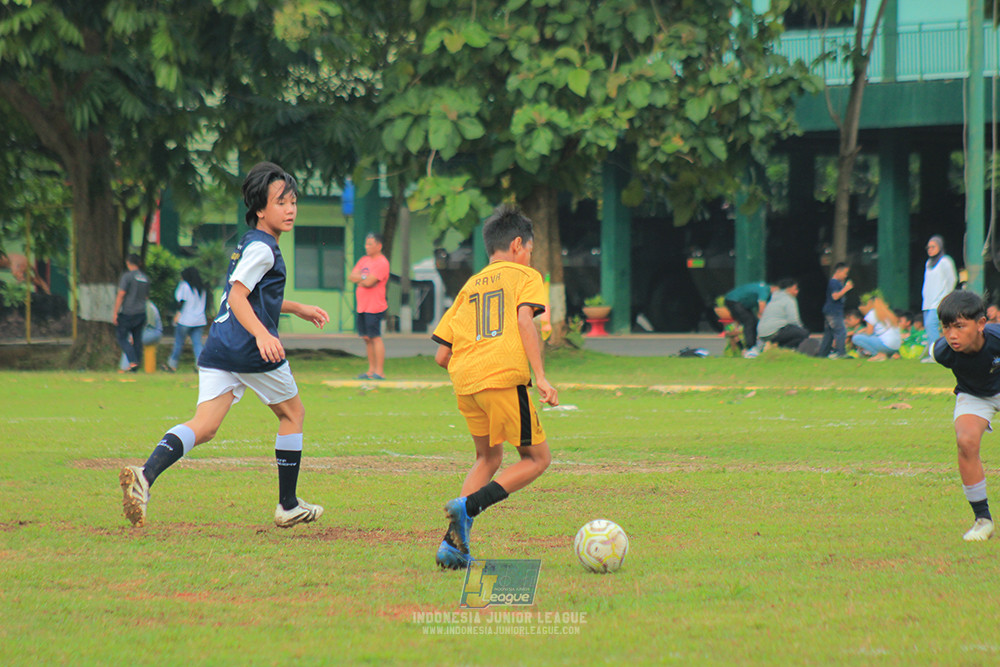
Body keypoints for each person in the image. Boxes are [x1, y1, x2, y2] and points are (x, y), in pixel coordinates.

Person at [119, 162, 330, 528]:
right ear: (260, 209)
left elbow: (254, 297)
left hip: (219, 346)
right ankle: (288, 504)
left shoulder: (250, 243)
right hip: (249, 349)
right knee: (292, 415)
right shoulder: (265, 250)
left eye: (293, 201)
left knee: (205, 425)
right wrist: (263, 334)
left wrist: (297, 308)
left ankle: (145, 475)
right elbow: (237, 297)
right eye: (281, 202)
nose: (291, 208)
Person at [430, 203, 558, 570]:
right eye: (531, 251)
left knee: (488, 457)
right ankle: (468, 506)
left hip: (466, 382)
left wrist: (471, 368)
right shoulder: (524, 276)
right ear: (518, 245)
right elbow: (524, 321)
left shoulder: (469, 285)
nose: (530, 258)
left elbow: (442, 356)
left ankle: (451, 548)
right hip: (501, 378)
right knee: (537, 459)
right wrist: (542, 376)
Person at [930, 290, 1000, 541]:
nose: (952, 335)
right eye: (946, 327)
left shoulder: (997, 338)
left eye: (959, 326)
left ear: (981, 324)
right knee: (966, 442)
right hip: (974, 394)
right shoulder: (942, 352)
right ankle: (983, 520)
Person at [349, 232, 390, 379]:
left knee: (375, 337)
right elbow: (352, 276)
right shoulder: (364, 260)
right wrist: (363, 278)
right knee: (366, 337)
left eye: (370, 244)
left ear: (379, 246)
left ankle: (380, 371)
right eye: (366, 244)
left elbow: (369, 282)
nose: (367, 247)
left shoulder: (382, 262)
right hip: (362, 306)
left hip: (375, 306)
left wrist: (362, 279)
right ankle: (371, 370)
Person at [164, 266, 208, 372]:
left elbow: (181, 301)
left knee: (179, 343)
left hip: (185, 320)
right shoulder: (202, 287)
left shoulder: (184, 285)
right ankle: (200, 365)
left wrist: (177, 315)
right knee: (197, 343)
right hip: (200, 320)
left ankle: (172, 365)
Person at [921, 234, 957, 361]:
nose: (930, 249)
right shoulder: (928, 263)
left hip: (939, 302)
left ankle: (937, 354)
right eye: (928, 247)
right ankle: (936, 352)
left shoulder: (945, 261)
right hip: (928, 303)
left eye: (933, 246)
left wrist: (946, 299)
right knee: (930, 327)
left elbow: (952, 280)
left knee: (931, 325)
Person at [113, 254, 151, 373]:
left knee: (121, 337)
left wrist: (115, 312)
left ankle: (133, 361)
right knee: (137, 339)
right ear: (139, 263)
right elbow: (146, 297)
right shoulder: (145, 278)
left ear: (128, 263)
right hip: (141, 312)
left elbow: (121, 294)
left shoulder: (127, 277)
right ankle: (136, 364)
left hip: (128, 312)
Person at [755, 278, 809, 352]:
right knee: (804, 334)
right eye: (795, 289)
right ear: (788, 289)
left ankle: (775, 347)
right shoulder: (789, 300)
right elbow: (793, 321)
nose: (797, 292)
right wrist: (802, 328)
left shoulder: (773, 298)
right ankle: (780, 349)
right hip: (774, 331)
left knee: (794, 332)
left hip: (762, 333)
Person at [722, 282, 772, 353]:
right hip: (733, 301)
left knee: (753, 322)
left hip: (740, 304)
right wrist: (761, 317)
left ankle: (753, 346)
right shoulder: (765, 290)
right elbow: (762, 304)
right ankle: (751, 347)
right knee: (749, 322)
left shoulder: (761, 290)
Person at [818, 262, 853, 359]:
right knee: (841, 331)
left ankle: (822, 354)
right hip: (833, 312)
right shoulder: (833, 282)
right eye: (845, 273)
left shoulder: (836, 283)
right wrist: (846, 288)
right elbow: (835, 296)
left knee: (829, 334)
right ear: (838, 271)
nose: (846, 276)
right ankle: (841, 353)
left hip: (831, 311)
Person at [852, 292, 901, 361]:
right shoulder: (888, 312)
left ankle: (877, 354)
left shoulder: (872, 313)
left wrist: (860, 332)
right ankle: (894, 354)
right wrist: (863, 330)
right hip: (895, 346)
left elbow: (869, 332)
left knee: (856, 338)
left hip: (886, 345)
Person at [119, 300, 163, 371]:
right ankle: (131, 366)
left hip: (153, 333)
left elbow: (149, 324)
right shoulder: (146, 305)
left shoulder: (147, 306)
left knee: (128, 343)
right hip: (153, 332)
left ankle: (125, 368)